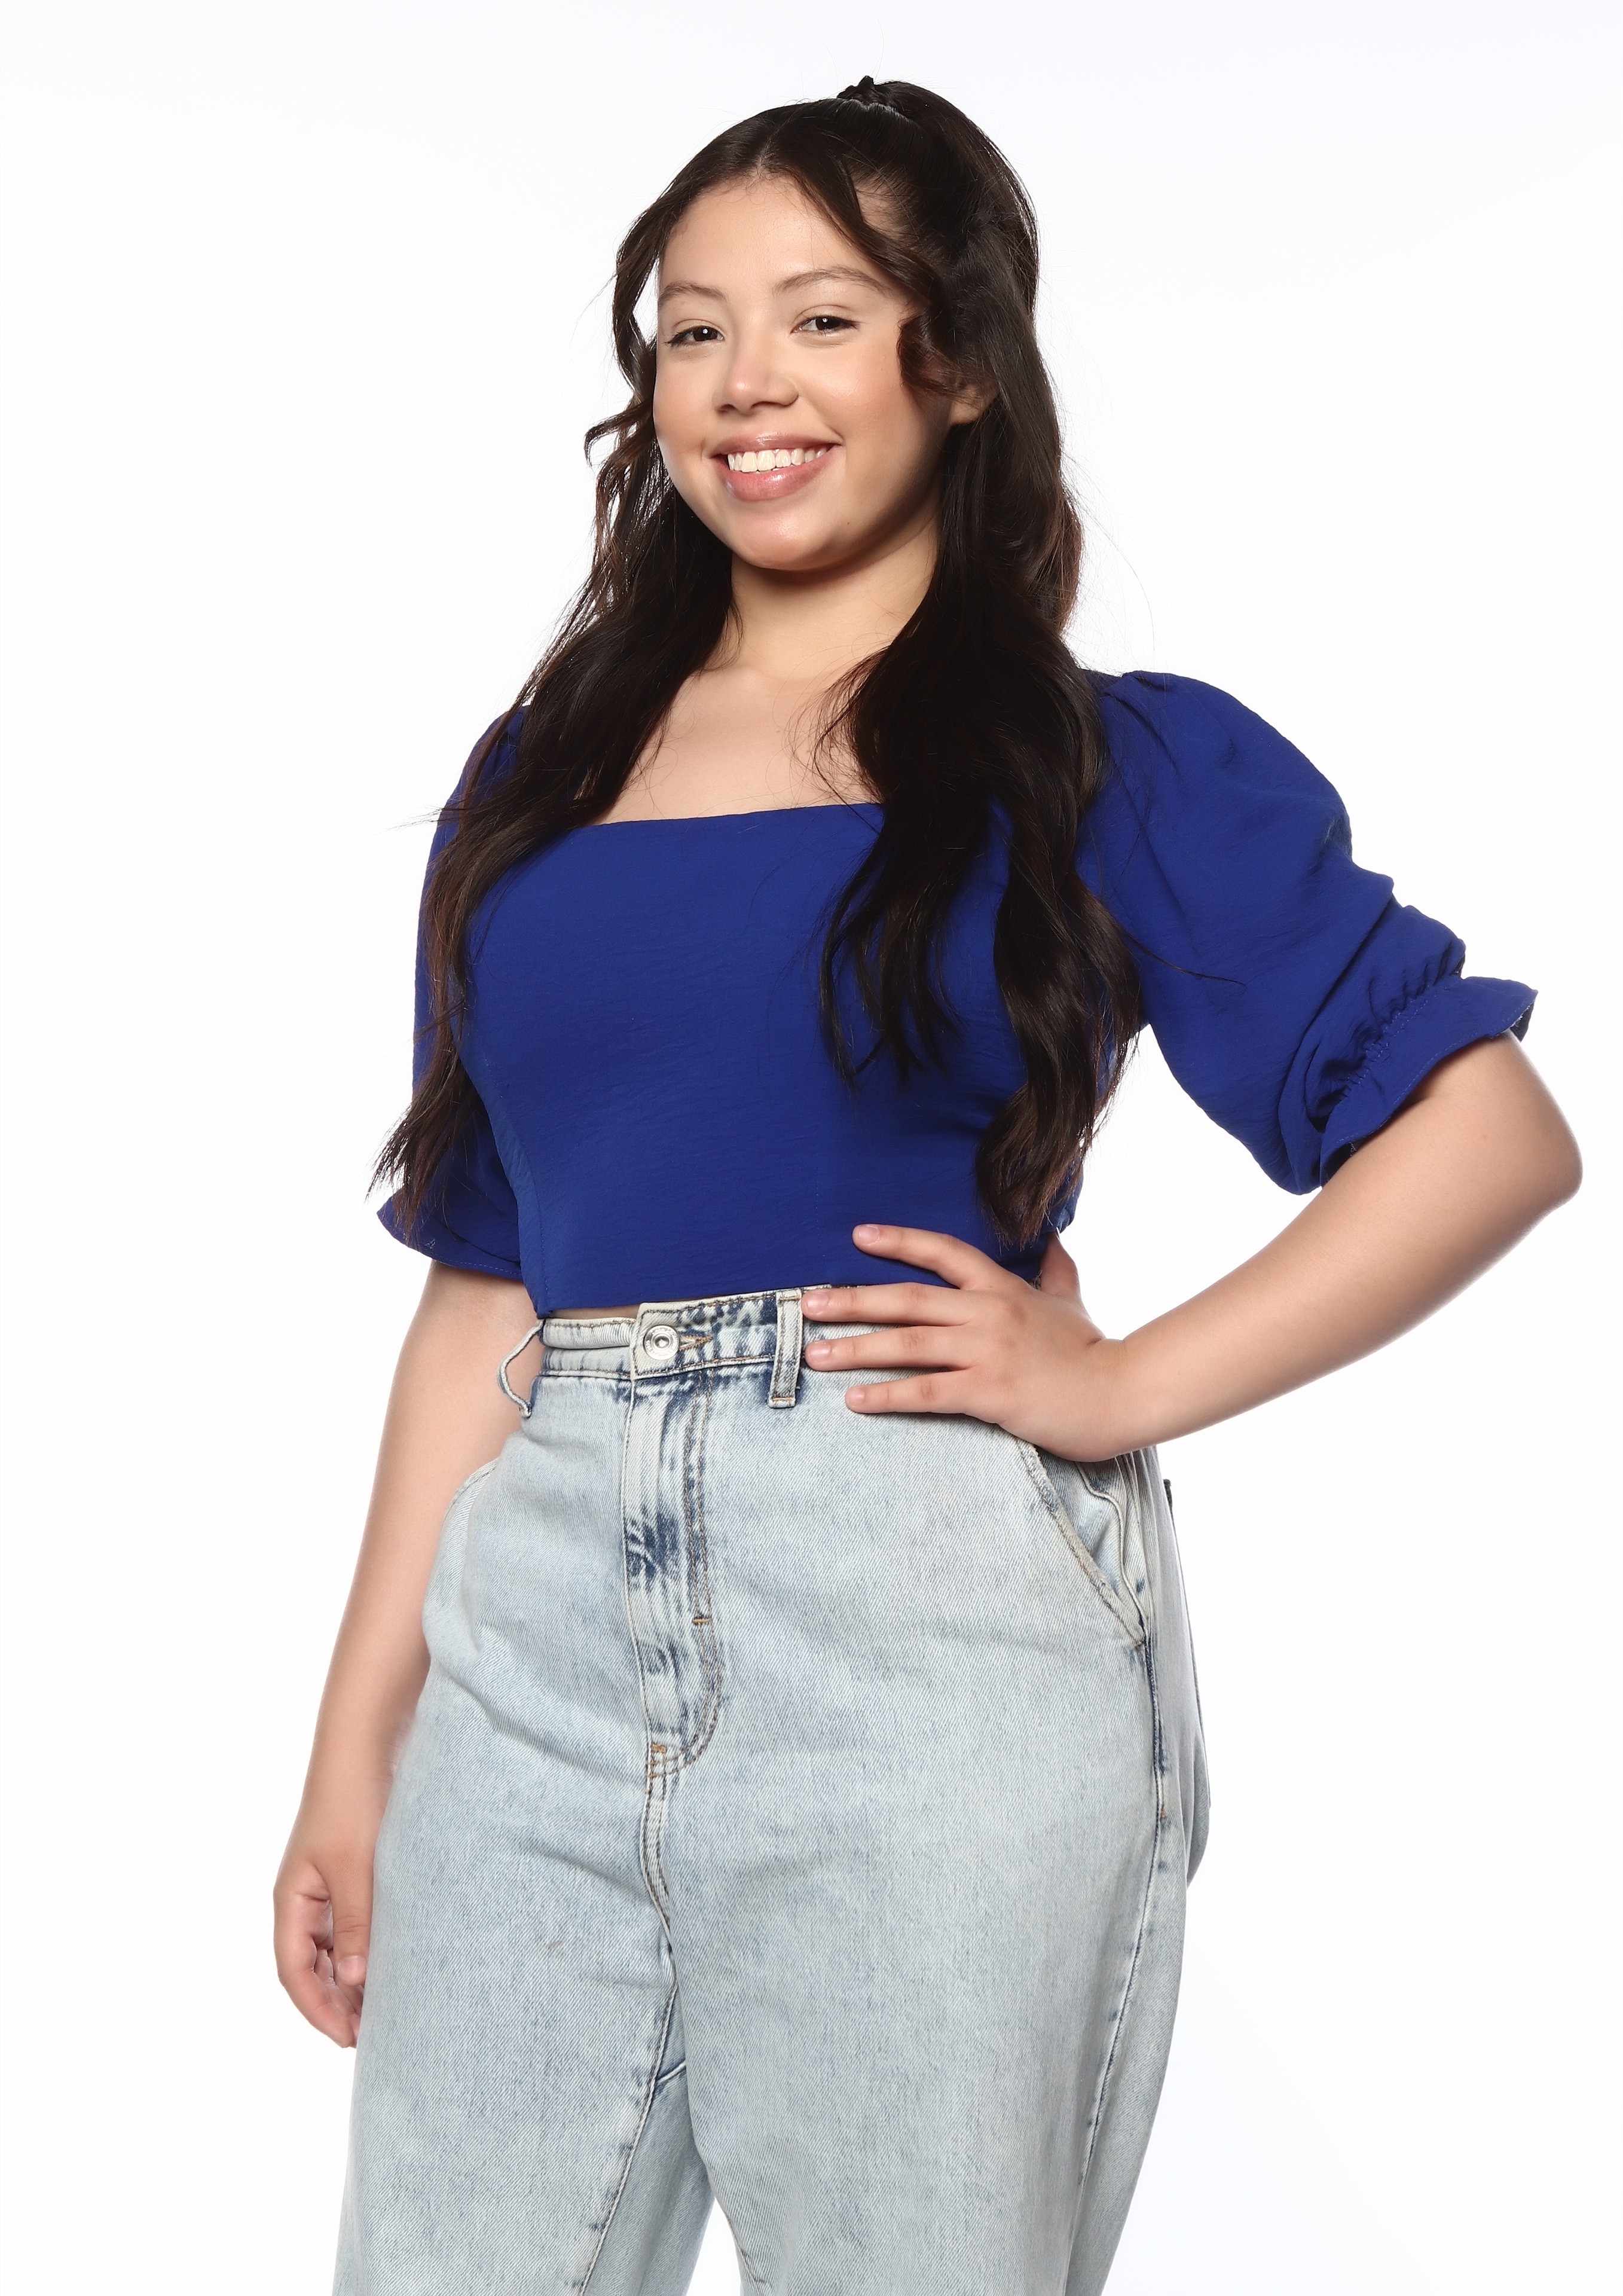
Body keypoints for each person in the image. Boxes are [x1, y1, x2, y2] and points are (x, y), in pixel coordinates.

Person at [274, 78, 1580, 2296]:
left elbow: (1486, 1130)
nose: (744, 385)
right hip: (534, 1644)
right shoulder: (540, 783)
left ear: (954, 361)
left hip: (927, 1625)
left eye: (820, 318)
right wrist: (352, 1745)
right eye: (694, 331)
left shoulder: (1098, 761)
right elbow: (492, 1283)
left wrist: (1117, 1382)